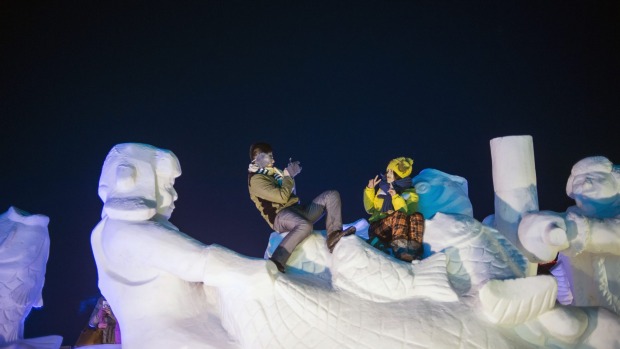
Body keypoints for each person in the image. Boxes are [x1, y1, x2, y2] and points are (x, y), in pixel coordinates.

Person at [248, 142, 356, 273]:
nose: (273, 160)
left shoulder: (275, 173)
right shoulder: (256, 180)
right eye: (270, 157)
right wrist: (288, 176)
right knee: (305, 226)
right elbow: (282, 196)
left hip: (297, 210)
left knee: (331, 195)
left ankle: (333, 235)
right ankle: (276, 261)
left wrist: (290, 173)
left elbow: (290, 192)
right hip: (280, 216)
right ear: (259, 158)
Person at [364, 157, 424, 262]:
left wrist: (395, 195)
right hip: (379, 229)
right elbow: (370, 209)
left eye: (392, 173)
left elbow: (407, 212)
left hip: (399, 228)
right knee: (398, 215)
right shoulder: (382, 188)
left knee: (417, 216)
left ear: (400, 176)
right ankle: (400, 250)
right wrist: (370, 189)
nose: (388, 175)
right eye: (388, 171)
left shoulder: (410, 193)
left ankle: (414, 250)